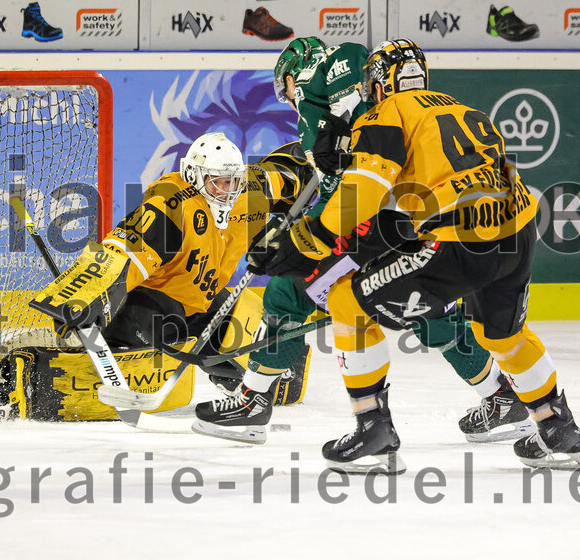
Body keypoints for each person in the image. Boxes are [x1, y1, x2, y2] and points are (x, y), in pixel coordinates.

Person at [245, 39, 580, 472]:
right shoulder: (465, 110)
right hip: (517, 235)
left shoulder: (386, 112)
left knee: (346, 300)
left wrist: (308, 236)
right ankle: (558, 426)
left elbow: (366, 191)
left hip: (457, 238)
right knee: (504, 337)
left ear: (378, 85)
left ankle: (373, 428)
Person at [193, 37, 532, 446]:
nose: (287, 96)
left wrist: (310, 228)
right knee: (428, 312)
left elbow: (353, 61)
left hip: (372, 219)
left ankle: (254, 400)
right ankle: (500, 396)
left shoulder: (323, 85)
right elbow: (337, 167)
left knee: (287, 291)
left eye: (285, 86)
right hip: (404, 217)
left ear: (292, 74)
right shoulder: (341, 111)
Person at [0, 132, 317, 422]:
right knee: (152, 344)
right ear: (194, 176)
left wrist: (321, 164)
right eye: (218, 183)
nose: (228, 190)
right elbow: (122, 252)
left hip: (204, 304)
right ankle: (19, 387)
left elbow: (292, 170)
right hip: (150, 307)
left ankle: (250, 382)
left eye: (233, 182)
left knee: (252, 314)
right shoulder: (170, 204)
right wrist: (86, 294)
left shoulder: (250, 190)